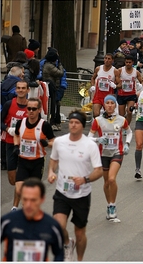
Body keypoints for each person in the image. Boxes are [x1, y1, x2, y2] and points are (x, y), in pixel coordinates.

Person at [47, 110, 103, 261]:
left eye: (76, 122)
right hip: (62, 192)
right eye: (71, 122)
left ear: (82, 126)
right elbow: (53, 160)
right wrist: (51, 172)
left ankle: (79, 259)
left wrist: (85, 179)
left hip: (81, 194)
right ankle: (67, 244)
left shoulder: (90, 145)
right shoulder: (59, 141)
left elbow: (99, 171)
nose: (72, 125)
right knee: (58, 227)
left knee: (79, 233)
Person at [88, 95, 132, 221]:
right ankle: (109, 205)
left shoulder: (121, 120)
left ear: (115, 105)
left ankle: (113, 205)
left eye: (112, 103)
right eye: (107, 103)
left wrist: (127, 144)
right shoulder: (97, 120)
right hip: (103, 154)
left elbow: (129, 132)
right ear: (104, 105)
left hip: (117, 152)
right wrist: (98, 139)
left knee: (112, 179)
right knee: (106, 182)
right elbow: (88, 137)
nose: (110, 105)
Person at [1, 178, 64, 261]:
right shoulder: (7, 222)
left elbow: (59, 254)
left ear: (42, 199)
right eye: (25, 199)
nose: (28, 205)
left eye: (33, 200)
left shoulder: (52, 227)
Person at [13, 97, 55, 210]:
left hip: (37, 162)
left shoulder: (44, 125)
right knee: (19, 190)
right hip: (23, 161)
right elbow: (16, 135)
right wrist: (16, 146)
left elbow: (54, 142)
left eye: (34, 109)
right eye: (29, 108)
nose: (31, 111)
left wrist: (47, 144)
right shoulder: (20, 123)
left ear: (39, 110)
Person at [0, 81, 29, 211]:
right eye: (18, 88)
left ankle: (16, 206)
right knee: (12, 179)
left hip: (26, 145)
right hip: (10, 143)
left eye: (23, 88)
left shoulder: (31, 107)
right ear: (15, 90)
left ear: (28, 90)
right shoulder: (8, 104)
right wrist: (7, 129)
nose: (21, 90)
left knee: (20, 179)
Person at [90, 53, 121, 118]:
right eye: (105, 58)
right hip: (98, 95)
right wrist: (92, 86)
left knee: (108, 116)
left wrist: (115, 86)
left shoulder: (115, 71)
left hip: (108, 97)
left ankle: (105, 126)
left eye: (109, 59)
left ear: (112, 61)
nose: (107, 60)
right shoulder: (98, 68)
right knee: (96, 114)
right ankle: (97, 126)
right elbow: (93, 78)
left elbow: (120, 85)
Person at [42, 49, 65, 131]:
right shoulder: (49, 66)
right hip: (51, 87)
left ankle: (55, 121)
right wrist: (60, 65)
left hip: (54, 87)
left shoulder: (49, 65)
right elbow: (60, 73)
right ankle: (52, 122)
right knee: (52, 105)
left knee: (56, 104)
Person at [117, 54, 143, 125]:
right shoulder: (120, 70)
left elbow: (142, 81)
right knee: (121, 115)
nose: (128, 64)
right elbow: (116, 80)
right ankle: (123, 124)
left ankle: (126, 127)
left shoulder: (136, 72)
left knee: (129, 111)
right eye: (126, 62)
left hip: (131, 95)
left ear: (132, 62)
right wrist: (118, 85)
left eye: (129, 62)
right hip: (121, 94)